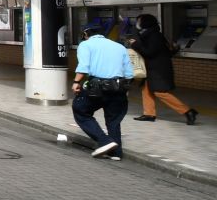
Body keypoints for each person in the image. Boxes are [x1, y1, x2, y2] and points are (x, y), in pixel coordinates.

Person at [72, 21, 134, 159]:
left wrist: (76, 82)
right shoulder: (119, 46)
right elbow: (129, 73)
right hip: (119, 88)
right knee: (113, 120)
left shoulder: (85, 45)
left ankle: (105, 141)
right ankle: (116, 153)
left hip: (97, 88)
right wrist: (126, 89)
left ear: (85, 34)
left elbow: (84, 66)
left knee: (80, 110)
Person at [128, 13, 199, 125]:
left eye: (139, 21)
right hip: (152, 68)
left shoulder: (154, 35)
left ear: (145, 22)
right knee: (146, 90)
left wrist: (135, 44)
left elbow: (149, 52)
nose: (137, 24)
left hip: (158, 69)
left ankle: (188, 111)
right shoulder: (149, 33)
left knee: (160, 92)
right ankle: (149, 114)